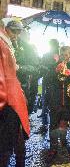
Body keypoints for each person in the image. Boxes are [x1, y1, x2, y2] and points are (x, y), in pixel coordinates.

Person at [0, 20, 30, 166]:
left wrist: (20, 68)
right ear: (6, 29)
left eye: (18, 32)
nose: (16, 35)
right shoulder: (4, 45)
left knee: (16, 141)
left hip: (16, 97)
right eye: (13, 31)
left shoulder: (14, 46)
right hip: (10, 101)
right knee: (7, 144)